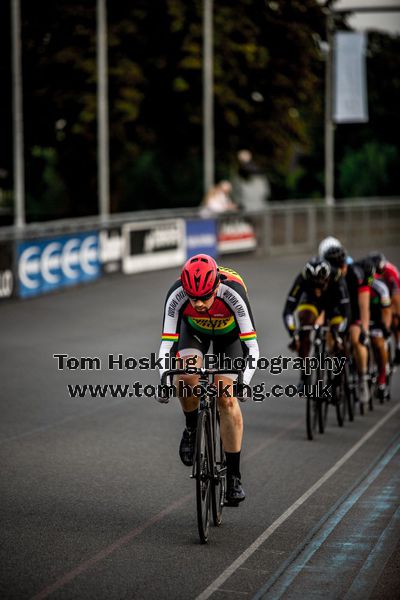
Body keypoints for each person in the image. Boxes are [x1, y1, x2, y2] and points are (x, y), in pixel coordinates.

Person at [157, 254, 259, 505]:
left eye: (205, 297)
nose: (199, 303)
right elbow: (166, 345)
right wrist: (163, 379)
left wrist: (244, 381)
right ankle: (192, 428)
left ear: (216, 287)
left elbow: (253, 348)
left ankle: (234, 477)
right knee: (184, 375)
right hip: (194, 333)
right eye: (193, 298)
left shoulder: (233, 292)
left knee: (226, 399)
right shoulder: (176, 294)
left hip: (229, 338)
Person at [319, 238, 375, 406]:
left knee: (356, 338)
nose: (338, 271)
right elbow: (321, 303)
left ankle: (363, 378)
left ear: (345, 264)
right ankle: (334, 371)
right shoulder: (327, 275)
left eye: (340, 267)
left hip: (354, 311)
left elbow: (364, 306)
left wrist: (364, 329)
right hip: (337, 312)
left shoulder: (356, 275)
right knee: (330, 336)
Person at [283, 256, 350, 391]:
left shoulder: (337, 277)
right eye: (312, 285)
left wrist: (339, 333)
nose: (317, 290)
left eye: (320, 285)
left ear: (327, 278)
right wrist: (294, 333)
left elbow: (347, 313)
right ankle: (305, 376)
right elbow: (288, 310)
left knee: (339, 335)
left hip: (333, 304)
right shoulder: (302, 277)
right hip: (311, 303)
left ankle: (339, 376)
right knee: (304, 326)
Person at [368, 252, 400, 365]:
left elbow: (396, 298)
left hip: (393, 292)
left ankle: (398, 345)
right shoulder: (371, 276)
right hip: (379, 294)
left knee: (396, 317)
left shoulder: (390, 272)